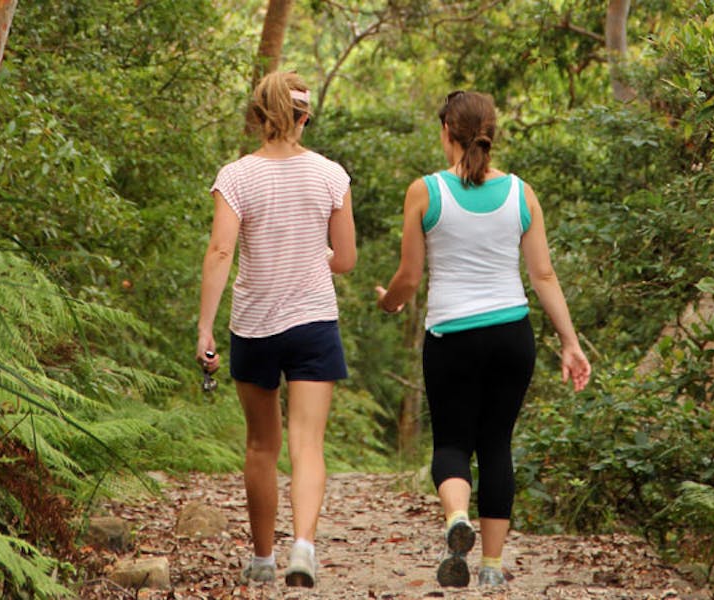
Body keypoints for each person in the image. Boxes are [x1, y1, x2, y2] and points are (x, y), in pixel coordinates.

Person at [375, 90, 591, 589]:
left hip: (452, 335)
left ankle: (456, 519)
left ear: (447, 132)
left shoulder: (425, 191)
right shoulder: (522, 193)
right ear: (490, 132)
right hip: (512, 335)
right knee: (496, 444)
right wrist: (570, 342)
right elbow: (544, 276)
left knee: (452, 440)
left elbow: (409, 277)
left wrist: (390, 301)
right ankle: (492, 569)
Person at [196, 71, 356, 588]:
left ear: (259, 116)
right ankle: (303, 547)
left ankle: (263, 559)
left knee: (262, 445)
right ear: (305, 117)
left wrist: (205, 328)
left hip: (255, 325)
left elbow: (221, 251)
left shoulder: (236, 176)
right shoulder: (332, 175)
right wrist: (314, 255)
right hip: (313, 320)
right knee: (307, 443)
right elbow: (347, 259)